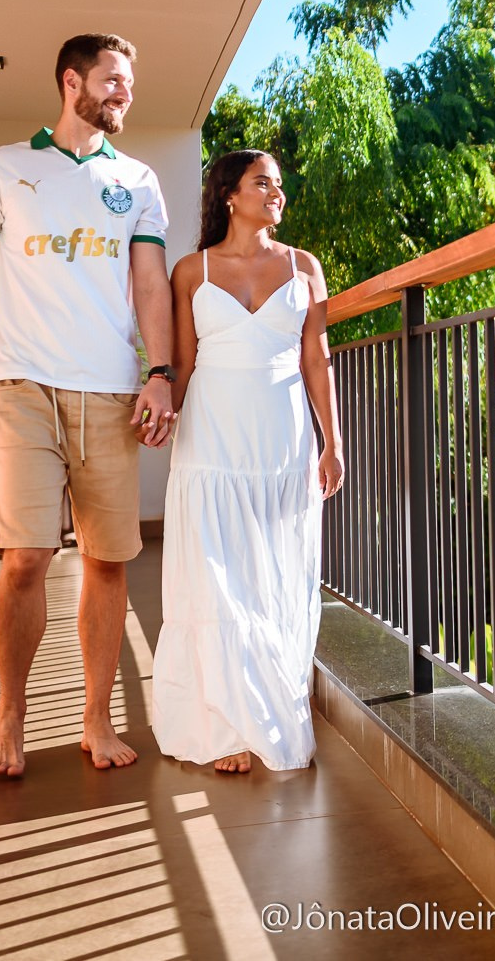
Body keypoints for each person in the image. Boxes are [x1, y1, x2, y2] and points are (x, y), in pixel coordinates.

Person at [0, 32, 179, 776]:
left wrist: (159, 371)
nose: (125, 93)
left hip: (108, 388)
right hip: (24, 382)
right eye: (113, 80)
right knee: (27, 555)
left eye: (129, 83)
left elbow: (152, 284)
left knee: (106, 560)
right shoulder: (6, 167)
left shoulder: (137, 180)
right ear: (72, 81)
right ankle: (9, 715)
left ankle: (96, 717)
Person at [150, 150, 344, 773]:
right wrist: (158, 412)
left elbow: (317, 361)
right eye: (264, 183)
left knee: (274, 573)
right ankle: (229, 724)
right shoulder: (191, 271)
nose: (276, 193)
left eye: (280, 185)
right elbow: (181, 362)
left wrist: (332, 442)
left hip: (282, 440)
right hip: (212, 439)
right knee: (216, 577)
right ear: (229, 195)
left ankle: (264, 710)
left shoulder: (305, 266)